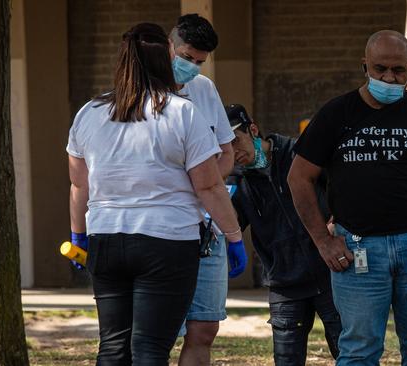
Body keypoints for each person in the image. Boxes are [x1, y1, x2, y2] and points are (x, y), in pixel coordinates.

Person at [287, 30, 407, 365]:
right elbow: (298, 177)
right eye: (380, 69)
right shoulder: (336, 114)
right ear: (364, 66)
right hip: (357, 248)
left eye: (398, 70)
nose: (389, 77)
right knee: (359, 350)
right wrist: (322, 241)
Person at [67, 23, 243, 365]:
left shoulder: (89, 113)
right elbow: (208, 185)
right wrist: (234, 236)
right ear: (166, 59)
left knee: (113, 347)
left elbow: (79, 184)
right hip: (165, 241)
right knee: (149, 347)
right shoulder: (181, 112)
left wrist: (78, 234)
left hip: (106, 238)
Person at [226, 104, 342, 365]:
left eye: (236, 140)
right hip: (284, 283)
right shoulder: (236, 179)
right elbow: (230, 223)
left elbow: (341, 185)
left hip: (331, 273)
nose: (233, 151)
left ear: (253, 129)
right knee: (286, 359)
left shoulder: (299, 153)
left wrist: (337, 222)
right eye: (224, 145)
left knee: (349, 352)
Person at [169, 14, 247, 366]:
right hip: (164, 230)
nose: (192, 68)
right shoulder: (139, 91)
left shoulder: (204, 89)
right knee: (158, 331)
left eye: (200, 62)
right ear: (169, 46)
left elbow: (226, 152)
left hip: (208, 227)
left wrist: (204, 187)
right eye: (186, 58)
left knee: (203, 328)